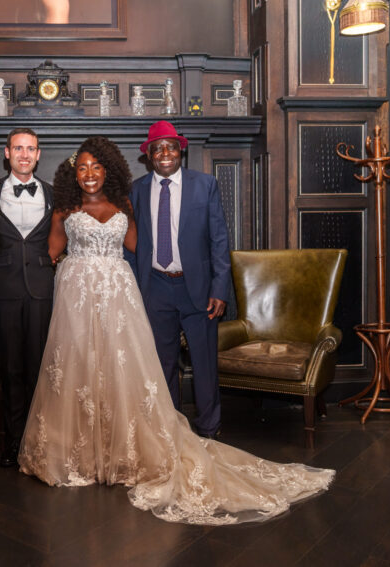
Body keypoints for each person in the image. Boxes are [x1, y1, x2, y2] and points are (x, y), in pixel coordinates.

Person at [18, 136, 334, 525]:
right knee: (81, 371)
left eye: (96, 167)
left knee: (135, 369)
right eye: (82, 167)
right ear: (73, 171)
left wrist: (201, 281)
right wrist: (66, 277)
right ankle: (86, 451)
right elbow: (52, 253)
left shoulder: (129, 201)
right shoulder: (73, 206)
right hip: (86, 297)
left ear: (109, 170)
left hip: (142, 292)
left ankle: (175, 438)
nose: (89, 174)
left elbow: (149, 243)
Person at [129, 120, 230, 438]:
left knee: (204, 364)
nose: (165, 154)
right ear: (149, 156)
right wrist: (135, 292)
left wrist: (220, 288)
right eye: (157, 148)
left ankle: (209, 429)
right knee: (163, 365)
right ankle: (171, 430)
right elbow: (134, 244)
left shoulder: (205, 185)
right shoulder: (137, 190)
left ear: (180, 151)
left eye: (171, 147)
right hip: (156, 288)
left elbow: (220, 241)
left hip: (198, 289)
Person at [0, 128, 55, 468]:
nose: (24, 154)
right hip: (2, 290)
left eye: (31, 149)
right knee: (10, 369)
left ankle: (38, 442)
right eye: (18, 148)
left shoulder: (54, 194)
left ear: (38, 155)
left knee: (40, 367)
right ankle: (12, 442)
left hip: (42, 289)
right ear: (6, 153)